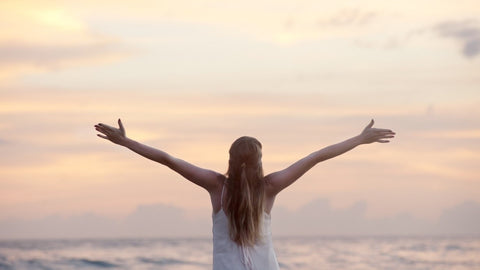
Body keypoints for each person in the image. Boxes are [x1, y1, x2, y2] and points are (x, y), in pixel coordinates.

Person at [94, 119, 395, 270]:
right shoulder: (271, 186)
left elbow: (168, 159)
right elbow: (316, 156)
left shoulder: (216, 186)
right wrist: (359, 139)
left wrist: (126, 142)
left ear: (230, 158)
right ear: (260, 161)